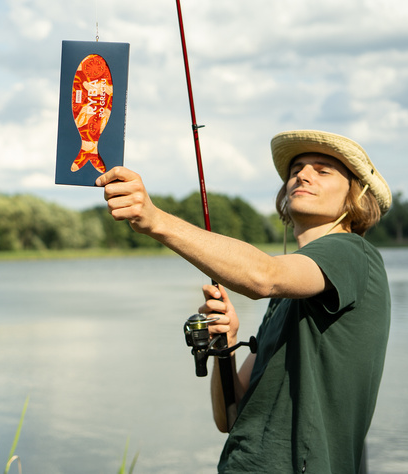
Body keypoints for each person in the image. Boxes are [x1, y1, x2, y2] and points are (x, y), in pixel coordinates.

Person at [96, 129, 392, 474]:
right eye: (296, 169)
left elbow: (263, 276)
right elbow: (230, 416)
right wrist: (228, 342)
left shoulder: (350, 251)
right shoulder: (286, 299)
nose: (303, 174)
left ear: (355, 196)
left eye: (323, 170)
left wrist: (155, 220)